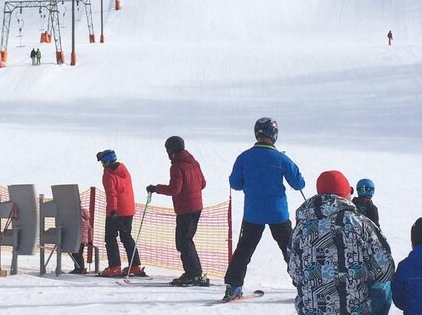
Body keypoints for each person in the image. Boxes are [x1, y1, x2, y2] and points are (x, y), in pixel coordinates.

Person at [289, 170, 394, 315]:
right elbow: (385, 269)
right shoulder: (359, 223)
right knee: (384, 285)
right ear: (345, 193)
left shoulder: (300, 228)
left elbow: (294, 273)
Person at [222, 117, 306, 302]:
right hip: (278, 212)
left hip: (253, 213)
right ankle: (304, 285)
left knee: (244, 250)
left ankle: (233, 286)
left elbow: (235, 183)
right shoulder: (281, 158)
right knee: (289, 249)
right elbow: (299, 183)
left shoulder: (244, 157)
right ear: (274, 135)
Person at [147, 135, 208, 286]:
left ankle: (193, 274)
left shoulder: (177, 166)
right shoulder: (194, 163)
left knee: (183, 242)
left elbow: (174, 189)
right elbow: (203, 183)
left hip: (186, 209)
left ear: (171, 150)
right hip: (196, 207)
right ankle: (194, 272)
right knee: (186, 241)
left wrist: (155, 188)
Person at [97, 149, 143, 277]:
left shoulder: (109, 174)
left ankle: (114, 266)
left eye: (102, 162)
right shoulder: (124, 170)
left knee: (110, 238)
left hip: (117, 210)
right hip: (128, 210)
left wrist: (112, 211)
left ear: (106, 161)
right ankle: (135, 266)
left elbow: (112, 194)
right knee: (126, 237)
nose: (102, 165)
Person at [68, 206, 92, 274]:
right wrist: (90, 240)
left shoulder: (80, 220)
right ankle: (80, 268)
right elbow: (90, 229)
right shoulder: (87, 221)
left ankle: (79, 268)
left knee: (75, 254)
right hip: (83, 240)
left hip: (79, 239)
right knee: (79, 254)